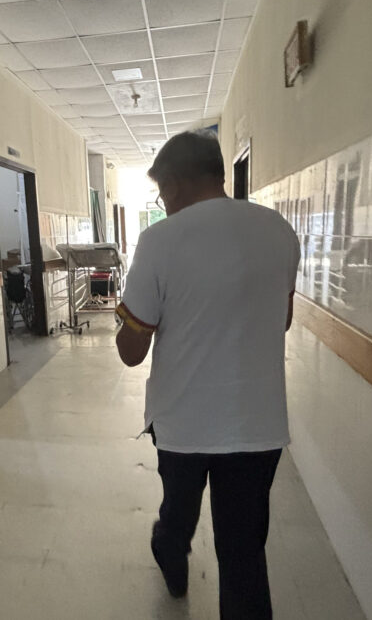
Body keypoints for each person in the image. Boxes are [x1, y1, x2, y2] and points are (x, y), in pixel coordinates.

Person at [115, 131, 301, 619]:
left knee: (179, 510)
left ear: (173, 186)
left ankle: (171, 556)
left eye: (161, 194)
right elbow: (281, 319)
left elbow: (131, 353)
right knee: (243, 554)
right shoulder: (279, 230)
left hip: (184, 423)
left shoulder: (159, 240)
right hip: (258, 425)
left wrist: (131, 320)